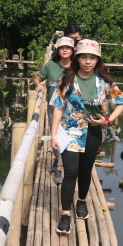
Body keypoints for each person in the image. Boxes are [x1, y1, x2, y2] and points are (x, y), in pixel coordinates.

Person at [51, 40, 123, 233]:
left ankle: (82, 202)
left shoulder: (104, 81)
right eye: (84, 57)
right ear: (77, 58)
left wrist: (108, 120)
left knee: (86, 171)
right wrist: (53, 135)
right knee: (70, 173)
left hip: (94, 131)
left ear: (97, 60)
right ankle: (65, 215)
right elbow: (58, 107)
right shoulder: (67, 80)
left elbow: (121, 102)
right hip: (70, 132)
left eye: (92, 57)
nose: (87, 61)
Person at [35, 37, 76, 183]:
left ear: (72, 50)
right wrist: (39, 85)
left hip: (72, 109)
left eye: (68, 47)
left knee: (69, 136)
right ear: (58, 50)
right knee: (56, 136)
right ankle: (57, 158)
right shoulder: (51, 65)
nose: (65, 50)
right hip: (53, 107)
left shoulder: (77, 67)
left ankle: (59, 167)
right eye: (62, 47)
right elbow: (38, 77)